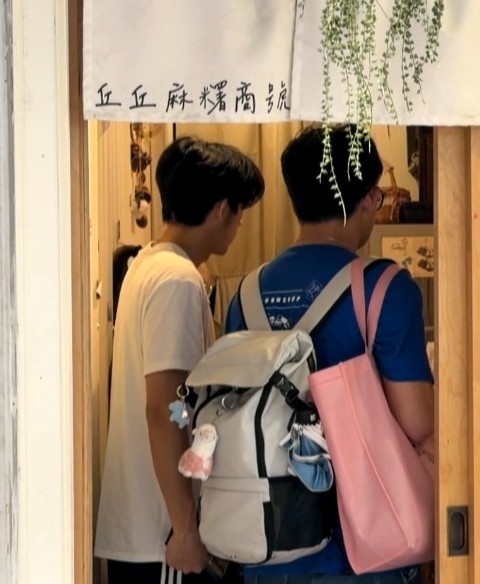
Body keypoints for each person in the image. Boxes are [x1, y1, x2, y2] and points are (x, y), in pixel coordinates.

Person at [226, 125, 434, 584]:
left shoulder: (246, 294)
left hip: (266, 542)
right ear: (367, 199)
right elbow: (418, 421)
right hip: (362, 550)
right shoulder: (384, 287)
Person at [95, 136, 265, 583]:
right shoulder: (177, 280)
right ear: (222, 210)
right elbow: (166, 406)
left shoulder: (147, 264)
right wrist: (186, 528)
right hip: (165, 534)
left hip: (148, 528)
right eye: (241, 212)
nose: (240, 223)